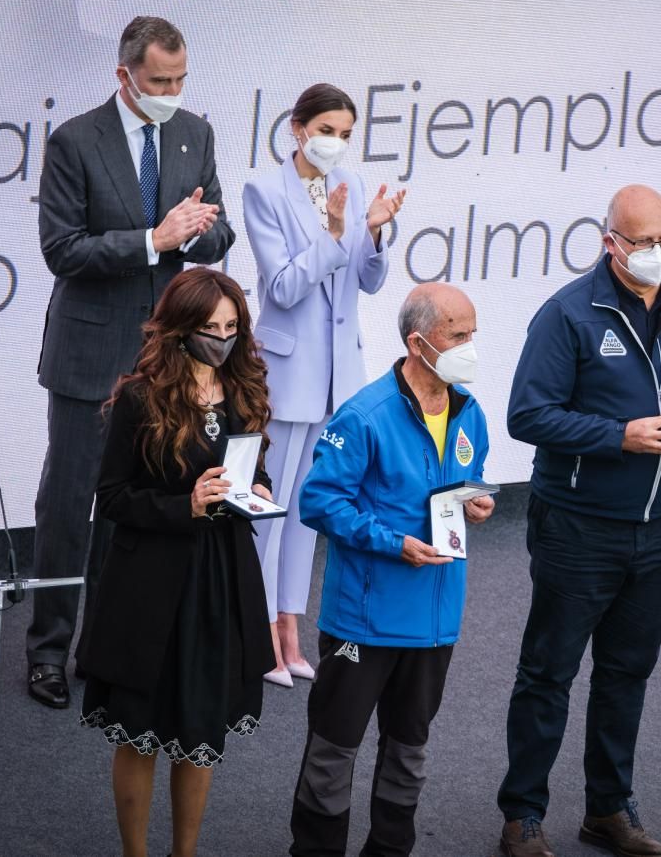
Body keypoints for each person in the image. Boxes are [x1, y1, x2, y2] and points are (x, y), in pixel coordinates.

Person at [496, 185, 661, 857]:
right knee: (548, 674)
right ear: (610, 243)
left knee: (626, 673)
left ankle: (608, 808)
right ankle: (522, 814)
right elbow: (528, 414)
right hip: (579, 525)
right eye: (642, 242)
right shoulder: (569, 315)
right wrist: (618, 436)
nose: (656, 252)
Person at [29, 15, 235, 709]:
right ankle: (48, 652)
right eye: (159, 82)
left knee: (130, 509)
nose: (172, 91)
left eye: (180, 80)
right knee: (69, 506)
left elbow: (219, 229)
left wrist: (202, 234)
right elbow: (63, 250)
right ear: (124, 77)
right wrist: (153, 238)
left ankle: (102, 647)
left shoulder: (194, 133)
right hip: (91, 355)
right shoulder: (74, 141)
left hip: (162, 362)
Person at [77, 267, 276, 857]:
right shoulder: (141, 396)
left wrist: (256, 488)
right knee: (140, 732)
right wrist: (183, 505)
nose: (222, 337)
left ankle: (183, 853)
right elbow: (111, 497)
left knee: (202, 729)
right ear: (181, 328)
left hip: (221, 580)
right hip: (151, 585)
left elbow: (247, 467)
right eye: (211, 326)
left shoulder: (242, 391)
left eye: (232, 326)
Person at [289, 284, 492, 857]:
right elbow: (320, 503)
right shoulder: (363, 416)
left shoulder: (469, 413)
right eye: (459, 336)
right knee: (333, 754)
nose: (470, 346)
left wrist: (476, 504)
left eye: (472, 333)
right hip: (365, 621)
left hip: (434, 620)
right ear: (418, 342)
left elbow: (464, 486)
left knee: (409, 753)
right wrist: (392, 543)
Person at [242, 82, 406, 687]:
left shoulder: (356, 186)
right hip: (286, 371)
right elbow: (283, 287)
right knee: (270, 508)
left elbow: (365, 281)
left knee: (310, 511)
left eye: (345, 133)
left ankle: (290, 626)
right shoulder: (263, 188)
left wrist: (377, 234)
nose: (336, 143)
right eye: (327, 130)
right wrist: (335, 235)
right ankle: (256, 630)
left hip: (340, 375)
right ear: (298, 128)